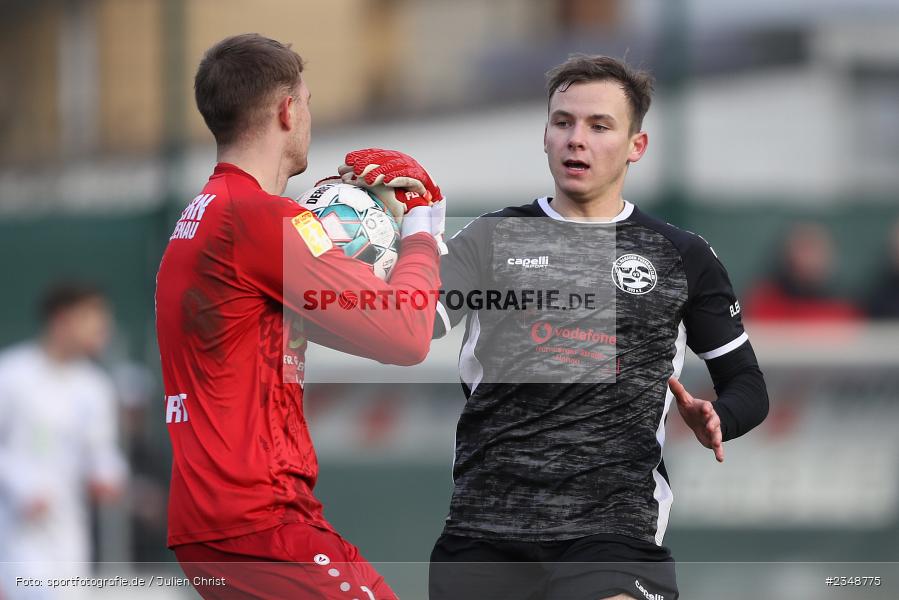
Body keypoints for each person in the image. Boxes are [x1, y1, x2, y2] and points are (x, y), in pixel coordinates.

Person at [422, 55, 770, 600]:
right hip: (486, 525)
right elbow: (409, 325)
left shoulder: (682, 255)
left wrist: (717, 416)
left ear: (637, 145)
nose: (575, 139)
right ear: (544, 135)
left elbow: (748, 385)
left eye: (599, 126)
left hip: (614, 527)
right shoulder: (489, 239)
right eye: (563, 122)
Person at [155, 34, 445, 599]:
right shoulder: (259, 219)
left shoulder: (209, 213)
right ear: (288, 110)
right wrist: (421, 224)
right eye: (307, 102)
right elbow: (406, 335)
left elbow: (382, 319)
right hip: (258, 520)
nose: (309, 116)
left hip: (222, 523)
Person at [0, 282, 126, 599]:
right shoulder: (11, 374)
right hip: (14, 531)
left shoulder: (95, 386)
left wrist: (107, 476)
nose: (101, 329)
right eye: (91, 318)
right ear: (62, 320)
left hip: (70, 533)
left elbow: (102, 453)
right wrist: (22, 485)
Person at [744, 222, 861, 322]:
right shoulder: (764, 303)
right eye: (804, 249)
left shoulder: (843, 309)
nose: (810, 259)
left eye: (815, 250)